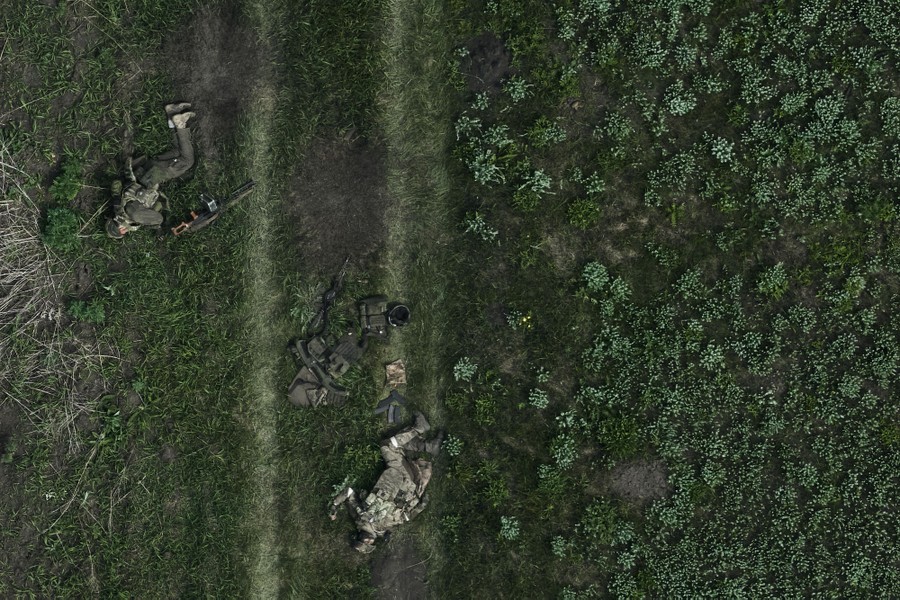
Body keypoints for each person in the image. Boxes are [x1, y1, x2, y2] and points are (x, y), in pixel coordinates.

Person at [329, 412, 443, 553]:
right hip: (401, 476)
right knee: (387, 446)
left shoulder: (369, 521)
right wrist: (335, 505)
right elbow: (349, 492)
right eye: (371, 542)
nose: (371, 541)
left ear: (363, 538)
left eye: (368, 542)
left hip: (406, 480)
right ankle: (419, 429)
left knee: (397, 446)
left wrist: (335, 504)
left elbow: (349, 492)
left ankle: (430, 446)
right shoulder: (371, 520)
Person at [106, 102, 196, 238]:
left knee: (187, 161)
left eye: (124, 233)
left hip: (154, 174)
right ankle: (172, 113)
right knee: (178, 151)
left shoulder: (135, 215)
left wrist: (157, 227)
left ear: (121, 230)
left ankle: (180, 124)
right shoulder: (119, 205)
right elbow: (117, 184)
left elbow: (158, 217)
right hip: (144, 168)